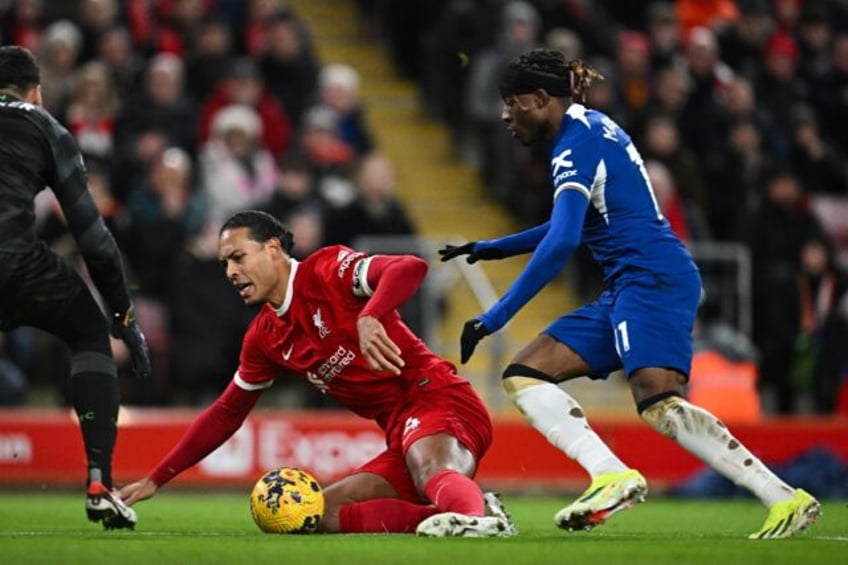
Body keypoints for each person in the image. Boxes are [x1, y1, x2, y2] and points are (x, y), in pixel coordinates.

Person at [438, 48, 821, 540]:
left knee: (657, 400)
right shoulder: (593, 126)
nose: (506, 115)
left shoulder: (573, 146)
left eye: (513, 103)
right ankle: (611, 475)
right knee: (527, 374)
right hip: (629, 281)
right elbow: (576, 219)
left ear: (540, 98)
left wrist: (496, 315)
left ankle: (784, 498)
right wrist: (492, 248)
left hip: (652, 276)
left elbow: (565, 240)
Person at [119, 210, 516, 538]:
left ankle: (478, 519)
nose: (230, 272)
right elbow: (227, 412)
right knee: (316, 515)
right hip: (401, 430)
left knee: (431, 467)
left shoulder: (326, 270)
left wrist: (370, 316)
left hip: (439, 398)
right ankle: (468, 511)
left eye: (238, 257)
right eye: (224, 263)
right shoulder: (265, 337)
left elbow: (409, 267)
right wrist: (158, 477)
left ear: (273, 249)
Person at [0, 45, 151, 529]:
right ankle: (99, 482)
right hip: (19, 264)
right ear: (36, 91)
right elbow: (95, 240)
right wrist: (124, 316)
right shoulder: (44, 125)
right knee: (89, 334)